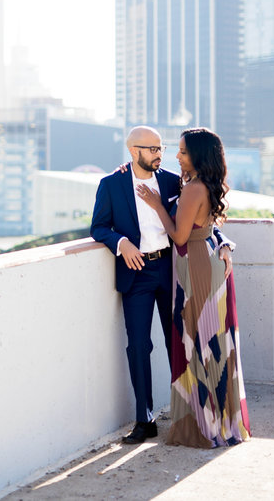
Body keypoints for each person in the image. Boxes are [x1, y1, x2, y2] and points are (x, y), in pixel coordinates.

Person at [90, 126, 233, 445]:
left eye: (161, 148)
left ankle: (187, 413)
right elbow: (98, 226)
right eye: (151, 148)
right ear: (133, 150)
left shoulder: (173, 181)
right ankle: (145, 419)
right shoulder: (111, 184)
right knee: (138, 345)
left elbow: (200, 219)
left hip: (172, 269)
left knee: (180, 342)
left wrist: (223, 242)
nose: (158, 154)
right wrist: (121, 242)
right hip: (136, 271)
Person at [135, 127, 251, 448]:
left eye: (182, 152)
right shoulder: (206, 185)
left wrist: (158, 206)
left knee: (199, 342)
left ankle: (204, 425)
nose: (176, 156)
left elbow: (180, 237)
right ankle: (219, 421)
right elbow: (210, 227)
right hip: (210, 263)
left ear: (197, 156)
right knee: (213, 341)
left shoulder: (192, 190)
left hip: (196, 266)